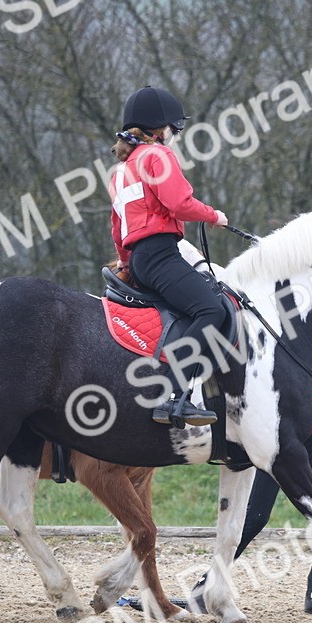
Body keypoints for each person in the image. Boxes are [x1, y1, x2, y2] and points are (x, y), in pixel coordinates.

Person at [192, 336, 312, 615]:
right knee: (254, 518)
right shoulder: (290, 345)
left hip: (311, 441)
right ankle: (207, 585)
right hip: (278, 444)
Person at [109, 86, 228, 428]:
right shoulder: (157, 156)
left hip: (140, 259)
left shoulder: (120, 172)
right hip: (161, 255)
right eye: (175, 129)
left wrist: (126, 262)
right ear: (161, 129)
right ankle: (175, 398)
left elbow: (117, 227)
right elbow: (179, 204)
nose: (175, 136)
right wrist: (213, 215)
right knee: (211, 308)